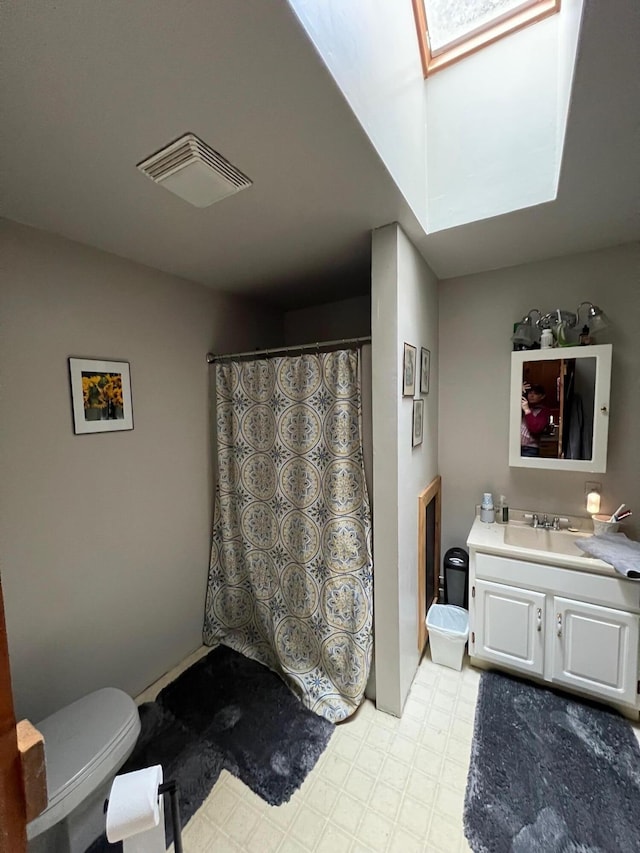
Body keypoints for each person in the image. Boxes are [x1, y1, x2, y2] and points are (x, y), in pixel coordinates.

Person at [520, 383, 549, 457]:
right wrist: (520, 391)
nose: (531, 396)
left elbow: (535, 429)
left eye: (535, 393)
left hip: (530, 449)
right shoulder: (522, 406)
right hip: (516, 447)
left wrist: (527, 410)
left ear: (542, 396)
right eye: (530, 393)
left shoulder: (543, 411)